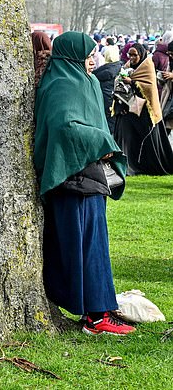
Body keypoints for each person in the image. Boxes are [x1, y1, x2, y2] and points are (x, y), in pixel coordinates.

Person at [34, 31, 135, 335]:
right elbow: (63, 127)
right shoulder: (60, 84)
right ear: (73, 55)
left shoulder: (86, 81)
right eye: (87, 54)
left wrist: (102, 144)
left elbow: (93, 121)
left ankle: (100, 309)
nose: (92, 60)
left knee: (95, 245)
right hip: (70, 179)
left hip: (91, 173)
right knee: (83, 247)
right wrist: (102, 141)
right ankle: (95, 315)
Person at [113, 43, 173, 175]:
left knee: (145, 141)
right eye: (130, 54)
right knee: (126, 137)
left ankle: (145, 166)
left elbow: (149, 88)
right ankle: (126, 166)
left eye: (135, 55)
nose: (132, 57)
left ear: (141, 54)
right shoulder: (127, 66)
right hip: (128, 110)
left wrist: (132, 82)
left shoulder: (147, 67)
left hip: (145, 112)